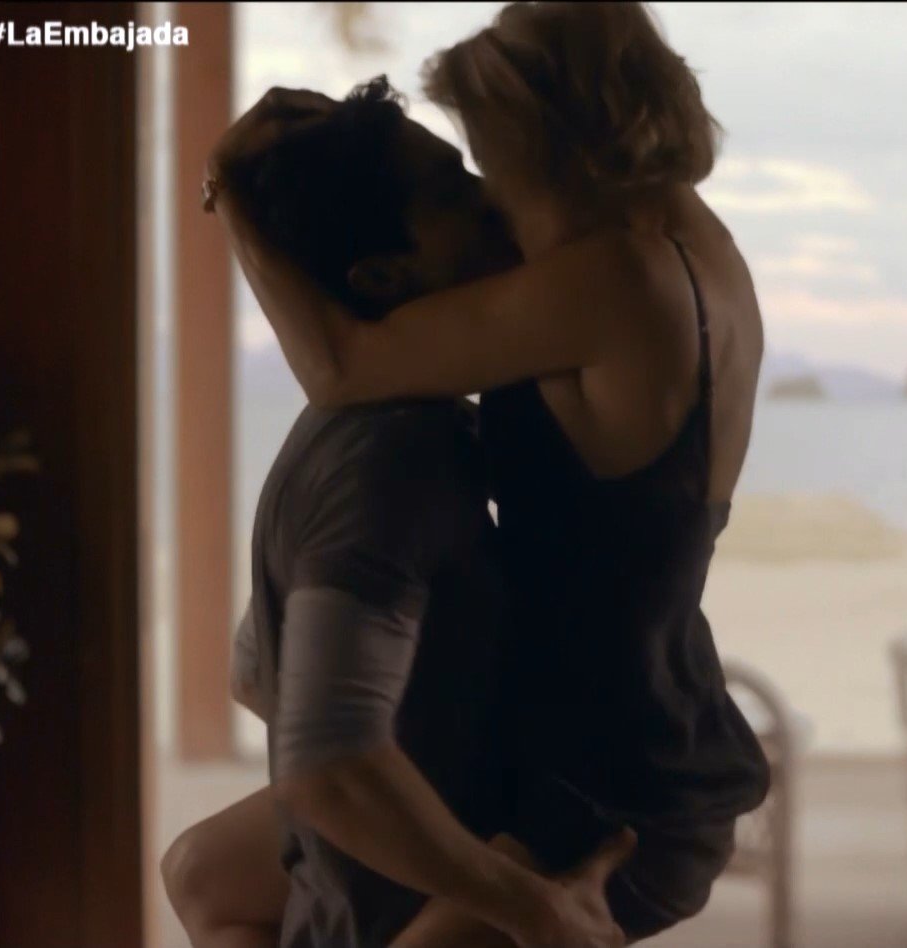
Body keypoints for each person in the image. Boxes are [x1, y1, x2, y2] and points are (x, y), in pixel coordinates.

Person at [206, 2, 772, 942]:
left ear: (552, 145)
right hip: (612, 719)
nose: (489, 193)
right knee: (208, 875)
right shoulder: (690, 245)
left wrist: (232, 196)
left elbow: (343, 367)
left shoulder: (612, 279)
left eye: (490, 160)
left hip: (606, 782)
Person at [162, 77, 631, 948]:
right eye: (453, 190)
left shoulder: (342, 422)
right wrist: (529, 906)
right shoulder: (397, 457)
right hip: (419, 890)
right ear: (384, 276)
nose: (491, 196)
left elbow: (253, 675)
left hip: (368, 876)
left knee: (199, 871)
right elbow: (330, 768)